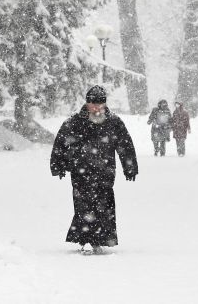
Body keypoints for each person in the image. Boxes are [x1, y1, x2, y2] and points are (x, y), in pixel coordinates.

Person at [50, 85, 138, 254]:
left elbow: (124, 145)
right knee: (83, 205)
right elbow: (61, 144)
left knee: (104, 206)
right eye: (93, 103)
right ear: (87, 102)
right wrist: (58, 165)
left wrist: (130, 167)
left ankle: (99, 238)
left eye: (100, 103)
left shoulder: (114, 122)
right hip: (80, 172)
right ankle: (86, 239)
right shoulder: (74, 122)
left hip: (105, 172)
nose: (96, 107)